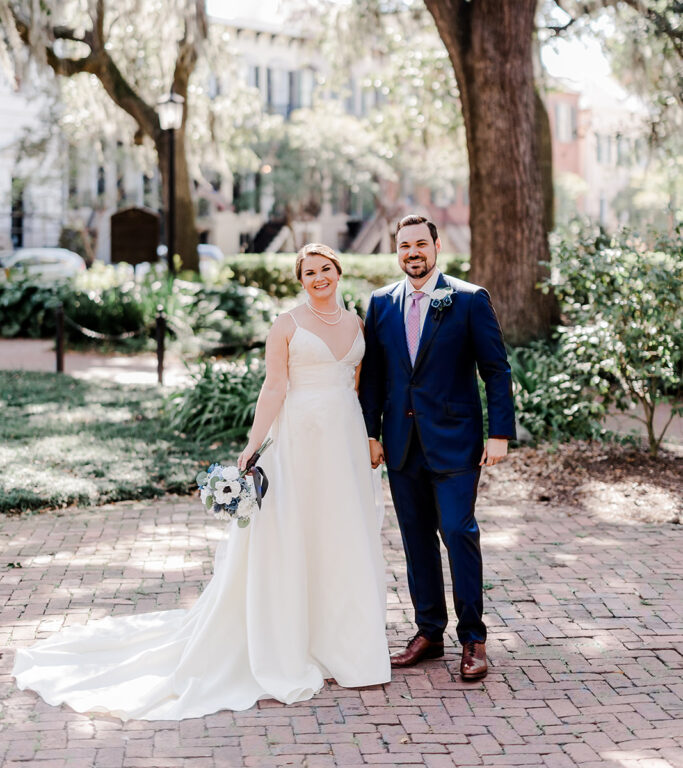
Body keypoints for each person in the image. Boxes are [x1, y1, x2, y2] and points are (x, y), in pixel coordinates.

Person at [13, 244, 390, 720]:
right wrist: (253, 445)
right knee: (296, 532)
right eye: (309, 272)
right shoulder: (286, 325)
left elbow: (358, 385)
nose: (319, 277)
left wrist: (369, 435)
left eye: (326, 269)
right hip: (298, 439)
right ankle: (293, 641)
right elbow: (274, 386)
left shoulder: (357, 324)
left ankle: (344, 645)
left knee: (341, 534)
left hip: (344, 440)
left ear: (338, 272)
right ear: (301, 281)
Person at [359, 214, 515, 681]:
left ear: (436, 246)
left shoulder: (468, 299)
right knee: (416, 539)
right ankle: (429, 632)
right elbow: (373, 376)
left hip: (455, 442)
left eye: (420, 244)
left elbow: (496, 370)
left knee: (458, 530)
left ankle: (473, 638)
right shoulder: (381, 303)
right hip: (401, 444)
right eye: (404, 246)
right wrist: (370, 433)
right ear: (397, 251)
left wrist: (499, 433)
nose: (413, 253)